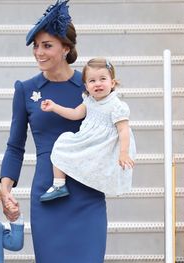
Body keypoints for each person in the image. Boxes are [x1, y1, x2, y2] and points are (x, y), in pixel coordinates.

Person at [0, 0, 106, 263]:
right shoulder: (26, 89)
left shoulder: (88, 87)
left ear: (66, 48)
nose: (39, 52)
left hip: (87, 191)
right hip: (47, 193)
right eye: (36, 46)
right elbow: (15, 144)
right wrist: (6, 185)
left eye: (47, 45)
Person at [39, 58, 136, 202]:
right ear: (86, 85)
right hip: (88, 140)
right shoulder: (89, 101)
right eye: (92, 81)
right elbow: (74, 113)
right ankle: (59, 185)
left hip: (105, 146)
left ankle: (90, 182)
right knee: (62, 143)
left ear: (112, 83)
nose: (97, 83)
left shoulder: (116, 106)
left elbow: (123, 131)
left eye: (102, 79)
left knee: (97, 165)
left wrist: (123, 153)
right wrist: (54, 107)